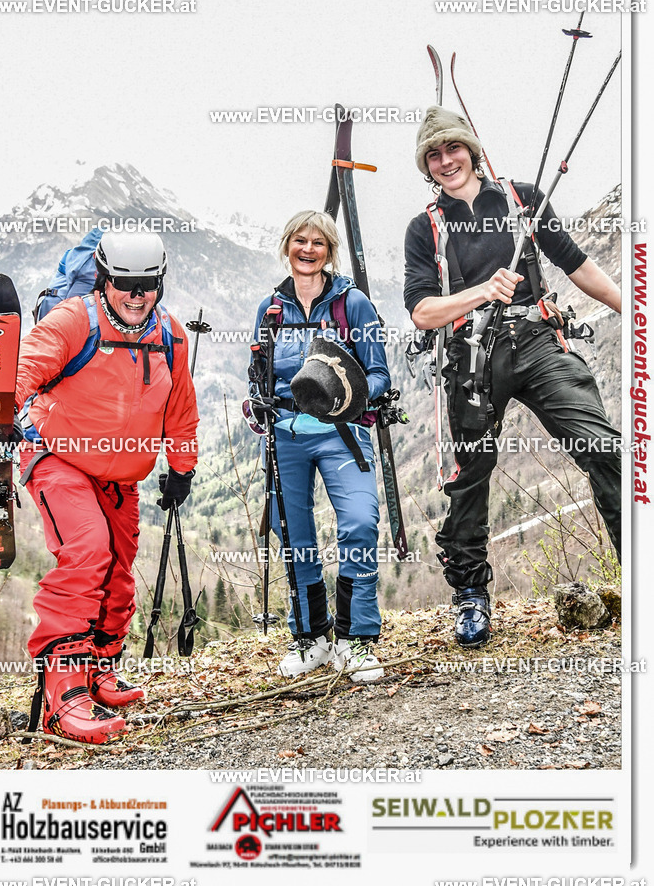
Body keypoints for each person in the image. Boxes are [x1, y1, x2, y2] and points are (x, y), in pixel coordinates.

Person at [404, 105, 621, 647]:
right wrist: (480, 291)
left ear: (471, 150)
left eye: (453, 148)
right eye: (434, 155)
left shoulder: (522, 200)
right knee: (470, 477)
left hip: (539, 341)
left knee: (601, 444)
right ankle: (472, 597)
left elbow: (576, 265)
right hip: (470, 357)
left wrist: (634, 309)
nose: (446, 160)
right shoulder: (424, 228)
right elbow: (422, 311)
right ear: (427, 168)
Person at [15, 231, 199, 742]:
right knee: (88, 551)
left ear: (159, 282)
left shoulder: (170, 335)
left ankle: (99, 668)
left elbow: (180, 410)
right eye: (124, 283)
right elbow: (26, 365)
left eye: (147, 284)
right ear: (104, 277)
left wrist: (181, 468)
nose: (136, 294)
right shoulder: (75, 319)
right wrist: (2, 409)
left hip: (120, 475)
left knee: (118, 568)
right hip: (57, 457)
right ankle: (64, 693)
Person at [249, 210, 391, 681]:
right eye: (300, 241)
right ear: (287, 245)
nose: (308, 250)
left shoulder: (352, 305)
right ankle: (312, 639)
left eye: (319, 243)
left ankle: (357, 640)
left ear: (330, 251)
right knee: (295, 538)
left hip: (343, 434)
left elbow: (378, 374)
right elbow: (259, 375)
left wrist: (343, 397)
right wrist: (258, 403)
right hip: (286, 436)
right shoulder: (270, 309)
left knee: (359, 523)